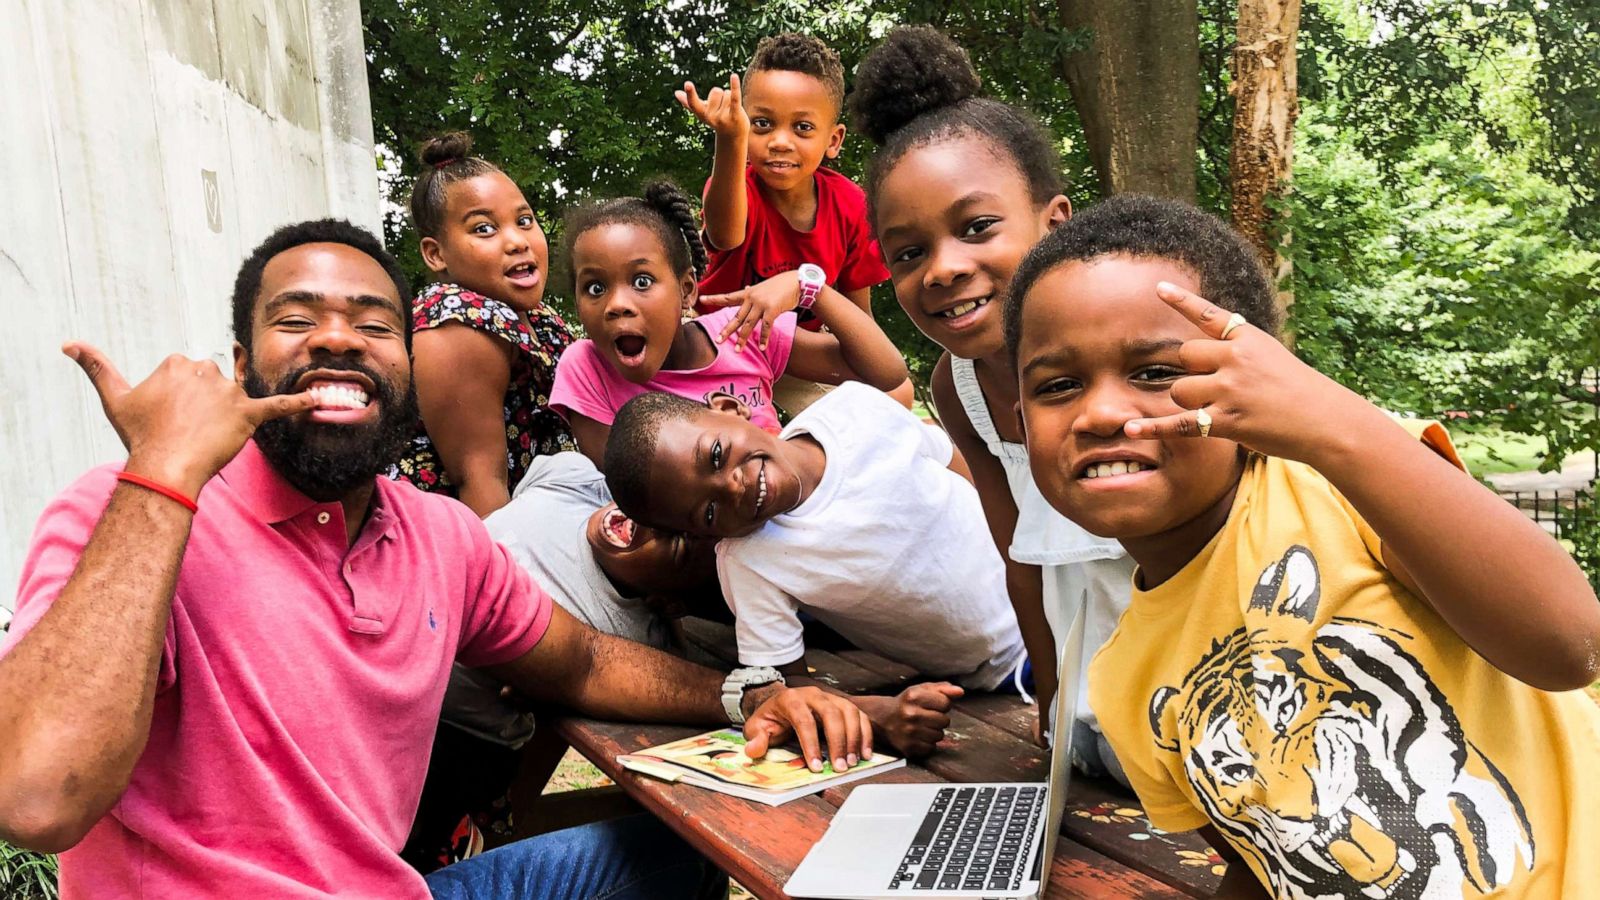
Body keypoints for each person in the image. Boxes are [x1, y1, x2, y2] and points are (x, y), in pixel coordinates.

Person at [0, 219, 875, 899]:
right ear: (241, 365)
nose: (338, 340)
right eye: (297, 318)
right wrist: (162, 473)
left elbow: (579, 661)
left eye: (373, 324)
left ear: (407, 369)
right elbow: (38, 798)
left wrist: (750, 694)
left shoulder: (438, 535)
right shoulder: (121, 510)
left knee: (672, 856)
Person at [1005, 194, 1600, 898]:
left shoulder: (1343, 487)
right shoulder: (1129, 684)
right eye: (1059, 386)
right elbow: (1268, 861)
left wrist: (1328, 424)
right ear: (1021, 423)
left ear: (1251, 382)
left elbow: (1569, 646)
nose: (1101, 412)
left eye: (1158, 373)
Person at [849, 26, 1134, 773]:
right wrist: (1051, 703)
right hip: (1092, 700)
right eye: (908, 253)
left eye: (976, 228)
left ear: (1055, 222)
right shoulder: (958, 384)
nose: (942, 269)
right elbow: (1022, 560)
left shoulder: (1137, 343)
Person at [603, 384, 1027, 753]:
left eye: (715, 454)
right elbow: (789, 689)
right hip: (1008, 668)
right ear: (704, 536)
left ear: (729, 408)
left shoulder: (857, 410)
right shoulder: (748, 562)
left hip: (1070, 586)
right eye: (709, 513)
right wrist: (879, 715)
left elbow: (963, 469)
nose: (733, 486)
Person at [407, 452, 725, 870]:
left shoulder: (632, 639)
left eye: (676, 543)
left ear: (666, 600)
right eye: (663, 503)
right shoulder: (574, 481)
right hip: (395, 670)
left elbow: (597, 671)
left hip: (458, 740)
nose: (647, 519)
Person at [549, 181, 908, 465]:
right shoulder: (587, 368)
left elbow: (887, 372)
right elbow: (626, 489)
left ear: (687, 290)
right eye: (595, 287)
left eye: (642, 281)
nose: (617, 305)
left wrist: (809, 286)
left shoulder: (741, 331)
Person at [676, 32, 898, 414]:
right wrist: (730, 139)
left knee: (897, 391)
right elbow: (725, 235)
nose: (780, 141)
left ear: (834, 139)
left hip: (795, 353)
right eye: (761, 124)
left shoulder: (851, 206)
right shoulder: (737, 187)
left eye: (802, 128)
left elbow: (859, 321)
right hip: (722, 338)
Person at [389, 132, 575, 516]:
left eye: (524, 221)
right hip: (467, 543)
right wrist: (508, 576)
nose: (517, 241)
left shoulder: (539, 318)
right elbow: (480, 485)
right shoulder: (455, 322)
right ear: (435, 254)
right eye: (484, 229)